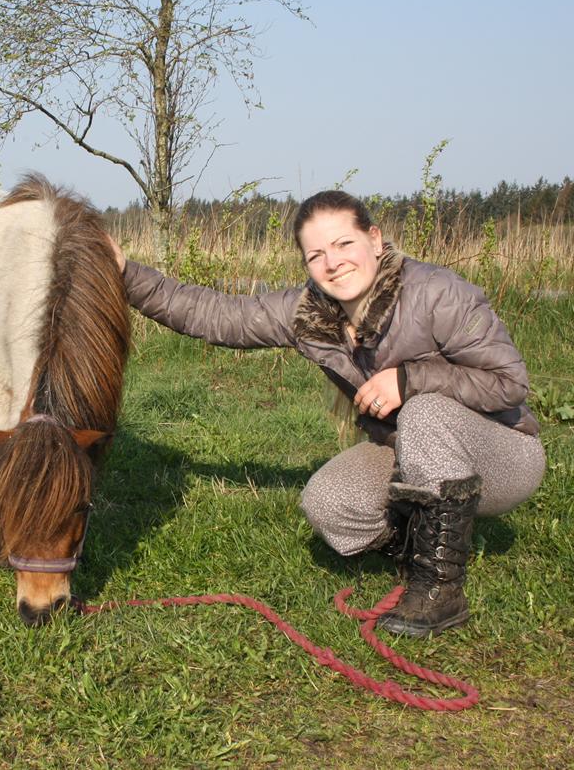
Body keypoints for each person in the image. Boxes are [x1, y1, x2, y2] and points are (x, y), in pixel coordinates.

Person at [110, 190, 545, 637]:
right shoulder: (307, 313)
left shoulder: (438, 293)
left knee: (425, 411)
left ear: (375, 240)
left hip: (504, 454)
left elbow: (509, 384)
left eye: (343, 244)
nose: (332, 262)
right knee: (329, 505)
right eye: (316, 254)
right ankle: (422, 544)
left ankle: (439, 591)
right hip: (409, 451)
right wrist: (124, 273)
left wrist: (410, 379)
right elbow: (215, 314)